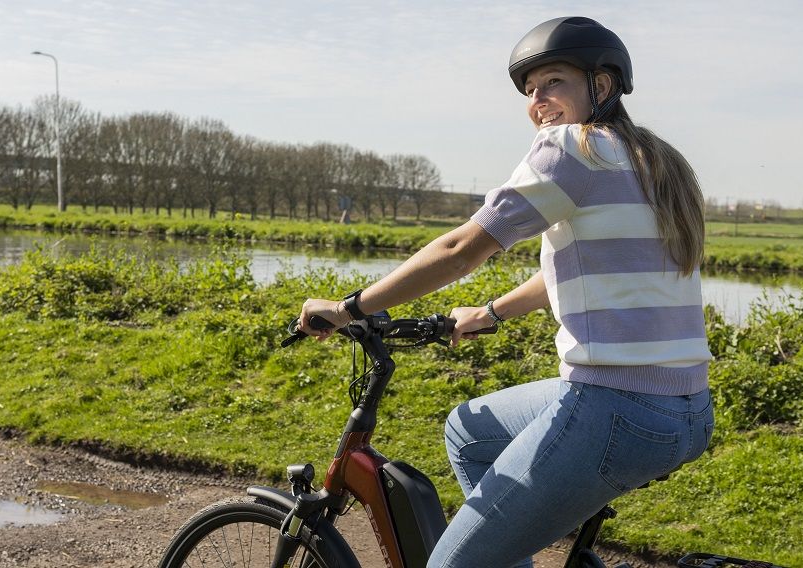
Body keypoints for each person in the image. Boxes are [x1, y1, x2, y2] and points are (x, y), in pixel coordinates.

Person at [298, 16, 714, 568]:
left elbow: (462, 249)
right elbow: (586, 268)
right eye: (530, 90)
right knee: (468, 431)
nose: (538, 100)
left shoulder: (572, 149)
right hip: (690, 410)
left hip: (615, 407)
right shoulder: (657, 162)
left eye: (554, 83)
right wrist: (491, 312)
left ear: (602, 86)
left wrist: (349, 307)